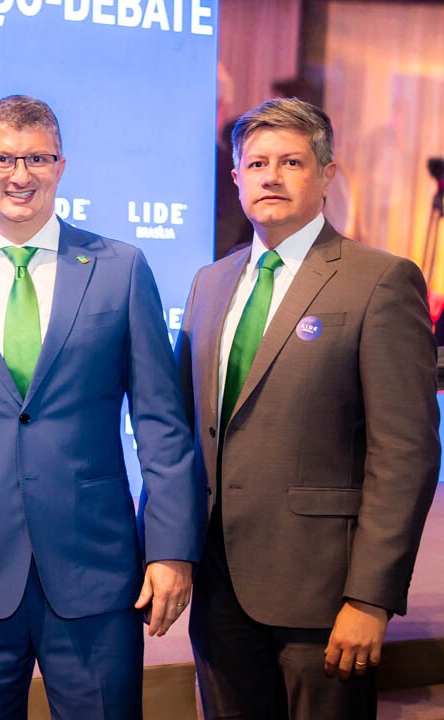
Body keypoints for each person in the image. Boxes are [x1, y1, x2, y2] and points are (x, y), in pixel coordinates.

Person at [0, 95, 204, 719]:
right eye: (2, 159)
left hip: (97, 568)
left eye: (37, 157)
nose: (20, 175)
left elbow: (161, 427)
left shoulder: (121, 270)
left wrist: (171, 548)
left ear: (61, 166)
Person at [177, 97, 440, 719]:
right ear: (236, 177)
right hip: (218, 589)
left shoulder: (380, 280)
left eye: (291, 161)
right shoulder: (209, 283)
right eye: (257, 162)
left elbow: (406, 454)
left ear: (326, 174)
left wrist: (370, 598)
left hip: (324, 598)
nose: (271, 175)